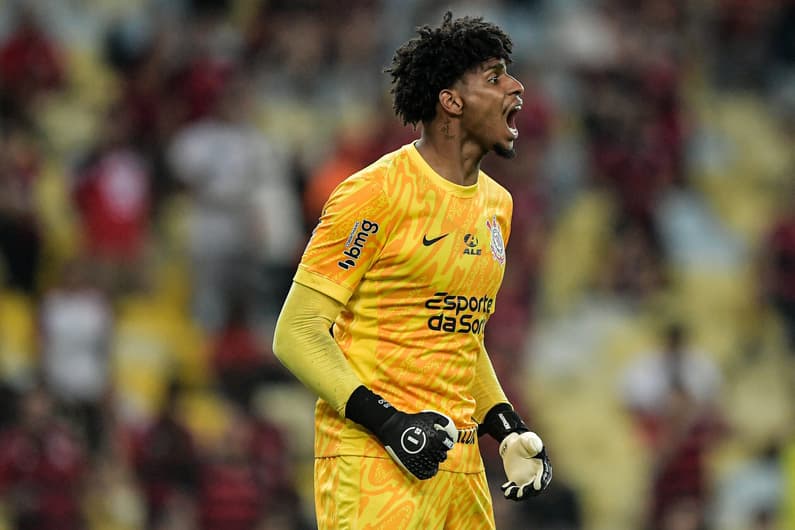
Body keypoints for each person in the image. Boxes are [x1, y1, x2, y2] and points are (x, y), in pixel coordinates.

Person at [272, 11, 552, 529]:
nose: (516, 87)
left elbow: (460, 334)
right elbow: (297, 332)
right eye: (494, 77)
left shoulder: (498, 205)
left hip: (460, 468)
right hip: (375, 459)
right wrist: (389, 423)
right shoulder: (375, 193)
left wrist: (505, 425)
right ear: (451, 100)